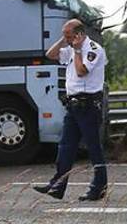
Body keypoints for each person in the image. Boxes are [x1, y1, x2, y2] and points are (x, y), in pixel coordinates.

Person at [33, 19, 108, 201]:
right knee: (66, 146)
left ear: (79, 34)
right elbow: (50, 54)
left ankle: (99, 187)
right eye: (65, 34)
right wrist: (64, 41)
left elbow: (82, 71)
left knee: (93, 148)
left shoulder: (93, 49)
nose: (66, 38)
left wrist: (76, 50)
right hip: (73, 105)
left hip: (88, 105)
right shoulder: (70, 48)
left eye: (68, 34)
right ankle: (58, 185)